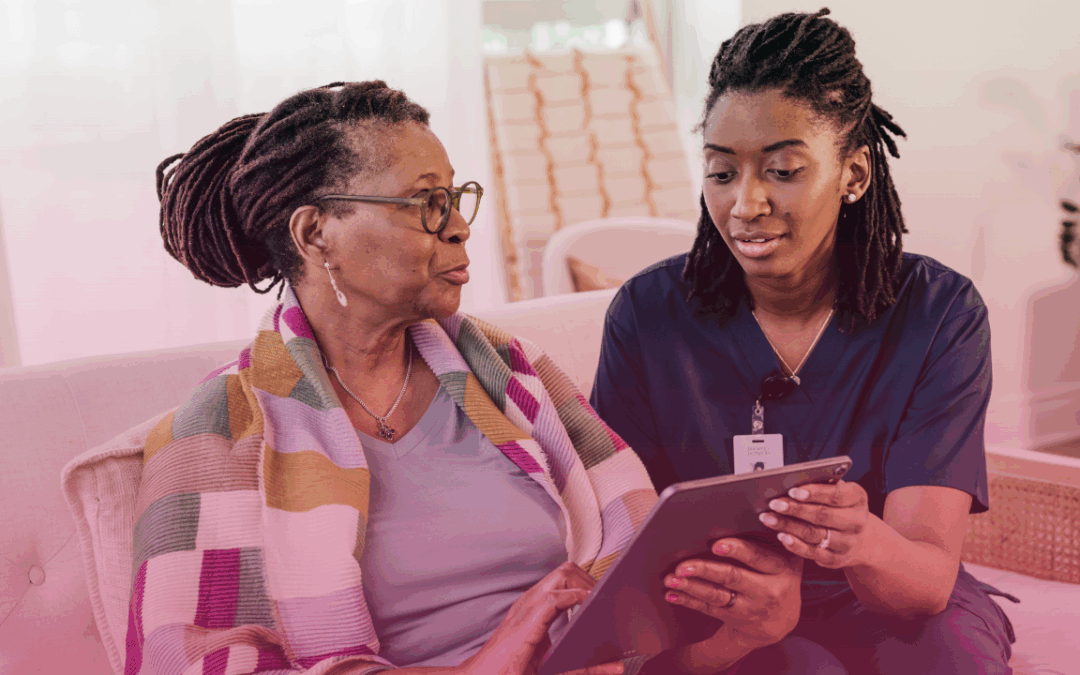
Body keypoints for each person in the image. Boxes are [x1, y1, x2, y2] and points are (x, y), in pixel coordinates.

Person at [127, 81, 794, 675]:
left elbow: (635, 613)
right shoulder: (218, 428)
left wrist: (733, 637)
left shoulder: (512, 373)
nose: (460, 227)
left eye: (455, 197)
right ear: (315, 233)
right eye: (426, 202)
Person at [591, 9, 1018, 675]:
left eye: (783, 170)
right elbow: (618, 544)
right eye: (722, 171)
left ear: (853, 174)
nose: (745, 203)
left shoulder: (939, 313)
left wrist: (860, 540)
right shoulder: (647, 316)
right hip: (726, 613)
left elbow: (925, 582)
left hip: (887, 602)